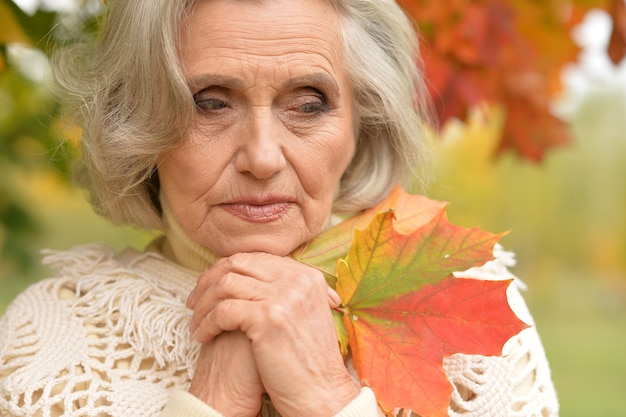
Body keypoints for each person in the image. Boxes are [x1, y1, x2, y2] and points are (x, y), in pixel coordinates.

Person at [0, 0, 559, 416]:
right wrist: (210, 403)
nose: (262, 158)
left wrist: (325, 395)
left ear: (362, 125)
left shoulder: (464, 300)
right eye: (211, 103)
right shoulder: (51, 338)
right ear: (138, 124)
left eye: (308, 104)